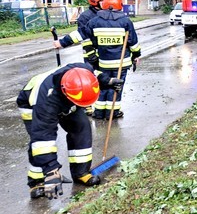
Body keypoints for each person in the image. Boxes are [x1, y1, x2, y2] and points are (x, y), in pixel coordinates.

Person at [17, 63, 123, 199]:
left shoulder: (83, 70)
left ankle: (81, 173)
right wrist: (52, 171)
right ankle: (37, 182)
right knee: (38, 144)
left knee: (81, 127)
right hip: (31, 103)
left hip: (70, 98)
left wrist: (108, 81)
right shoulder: (46, 103)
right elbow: (43, 138)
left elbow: (95, 75)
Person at [83, 0, 141, 119]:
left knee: (103, 86)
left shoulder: (94, 22)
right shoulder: (125, 21)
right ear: (120, 6)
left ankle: (99, 113)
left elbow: (87, 39)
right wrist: (136, 55)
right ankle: (112, 113)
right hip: (121, 63)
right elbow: (133, 42)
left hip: (103, 63)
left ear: (103, 5)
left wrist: (91, 55)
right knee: (116, 88)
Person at [53, 0, 107, 114]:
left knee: (103, 78)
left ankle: (100, 104)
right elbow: (83, 36)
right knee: (90, 77)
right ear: (95, 3)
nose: (105, 3)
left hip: (104, 52)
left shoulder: (105, 13)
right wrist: (91, 53)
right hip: (91, 52)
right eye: (102, 1)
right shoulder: (86, 17)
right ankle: (87, 104)